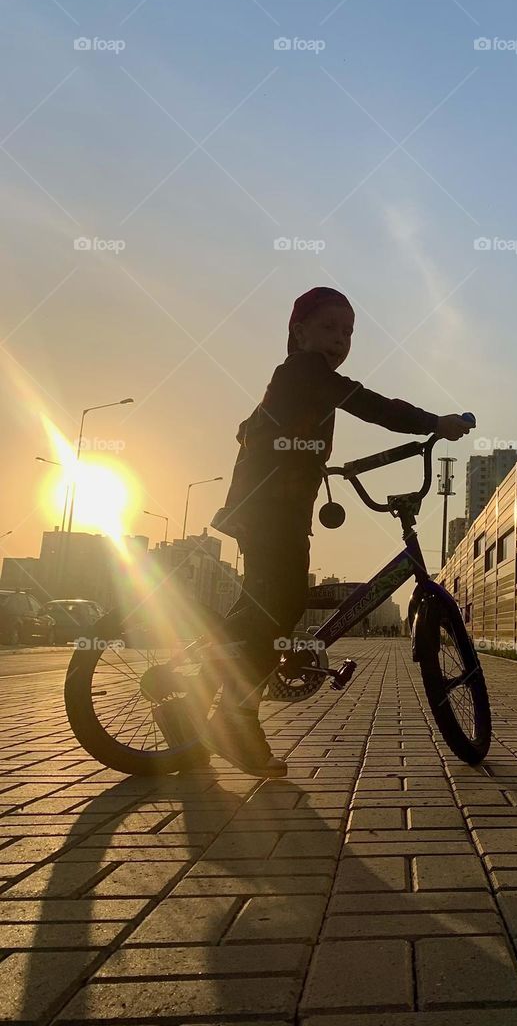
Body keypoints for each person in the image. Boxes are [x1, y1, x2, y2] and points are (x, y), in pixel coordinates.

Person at [203, 285, 472, 778]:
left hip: (271, 507)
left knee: (264, 603)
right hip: (270, 510)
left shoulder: (295, 384)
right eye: (328, 327)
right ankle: (234, 717)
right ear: (298, 332)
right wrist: (435, 422)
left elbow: (250, 429)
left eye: (347, 331)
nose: (339, 338)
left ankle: (202, 684)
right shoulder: (306, 372)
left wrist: (310, 464)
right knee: (282, 604)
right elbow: (371, 404)